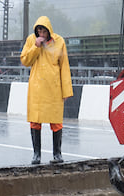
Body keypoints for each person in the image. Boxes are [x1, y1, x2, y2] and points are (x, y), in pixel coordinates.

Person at [19, 16, 73, 165]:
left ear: (49, 30)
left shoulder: (59, 41)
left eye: (44, 30)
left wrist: (66, 90)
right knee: (35, 122)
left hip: (54, 88)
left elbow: (64, 66)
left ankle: (57, 153)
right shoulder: (31, 40)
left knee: (56, 122)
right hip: (37, 88)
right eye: (39, 31)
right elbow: (25, 61)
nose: (41, 34)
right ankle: (36, 154)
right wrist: (35, 46)